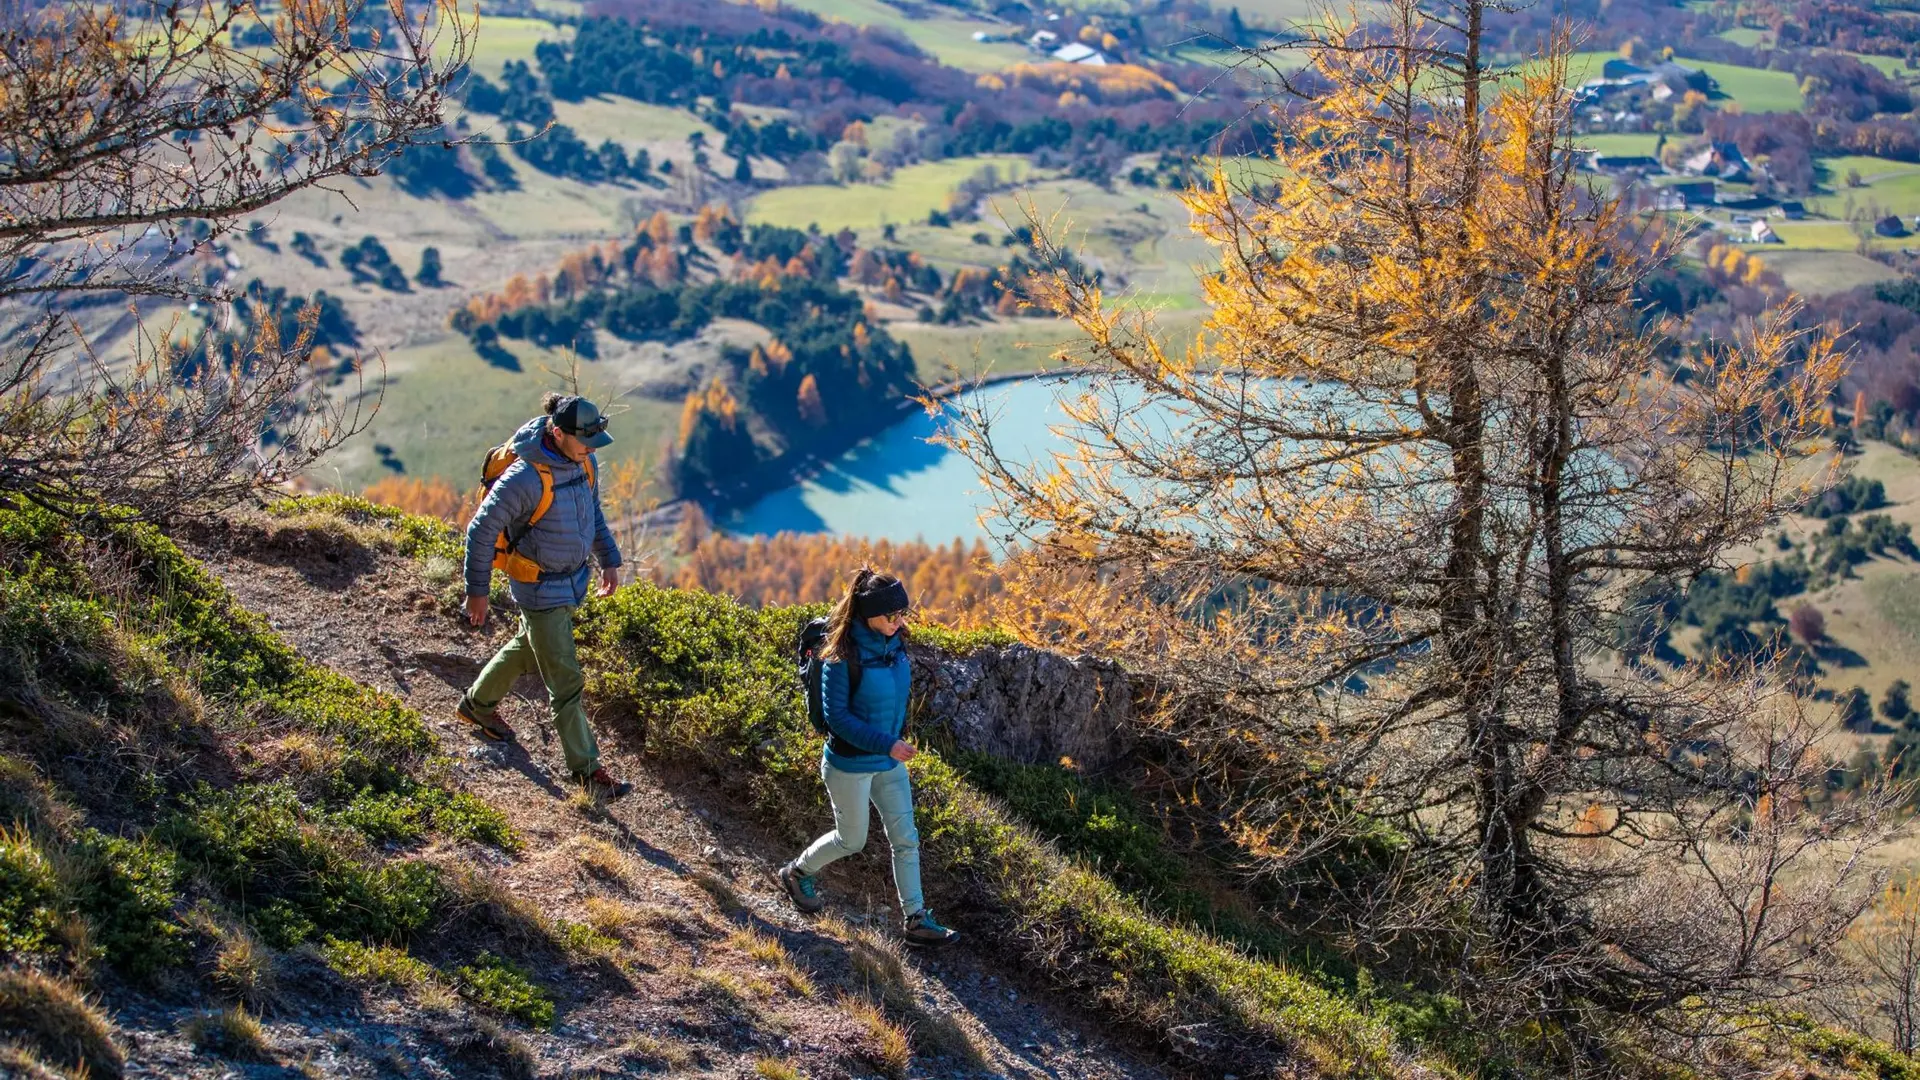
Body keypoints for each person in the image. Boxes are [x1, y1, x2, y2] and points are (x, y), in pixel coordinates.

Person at [459, 393, 633, 800]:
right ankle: (588, 773)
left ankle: (478, 706)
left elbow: (593, 515)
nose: (592, 449)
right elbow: (480, 531)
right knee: (566, 680)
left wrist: (609, 559)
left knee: (526, 647)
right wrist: (477, 591)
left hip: (571, 582)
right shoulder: (525, 478)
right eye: (585, 441)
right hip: (538, 588)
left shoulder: (584, 463)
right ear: (557, 433)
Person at [777, 569, 958, 945]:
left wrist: (893, 740)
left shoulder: (895, 643)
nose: (900, 621)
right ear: (867, 614)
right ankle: (795, 872)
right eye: (891, 616)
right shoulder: (840, 655)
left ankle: (916, 920)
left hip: (887, 762)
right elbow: (836, 719)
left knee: (906, 840)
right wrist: (887, 744)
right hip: (849, 766)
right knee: (851, 840)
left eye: (903, 613)